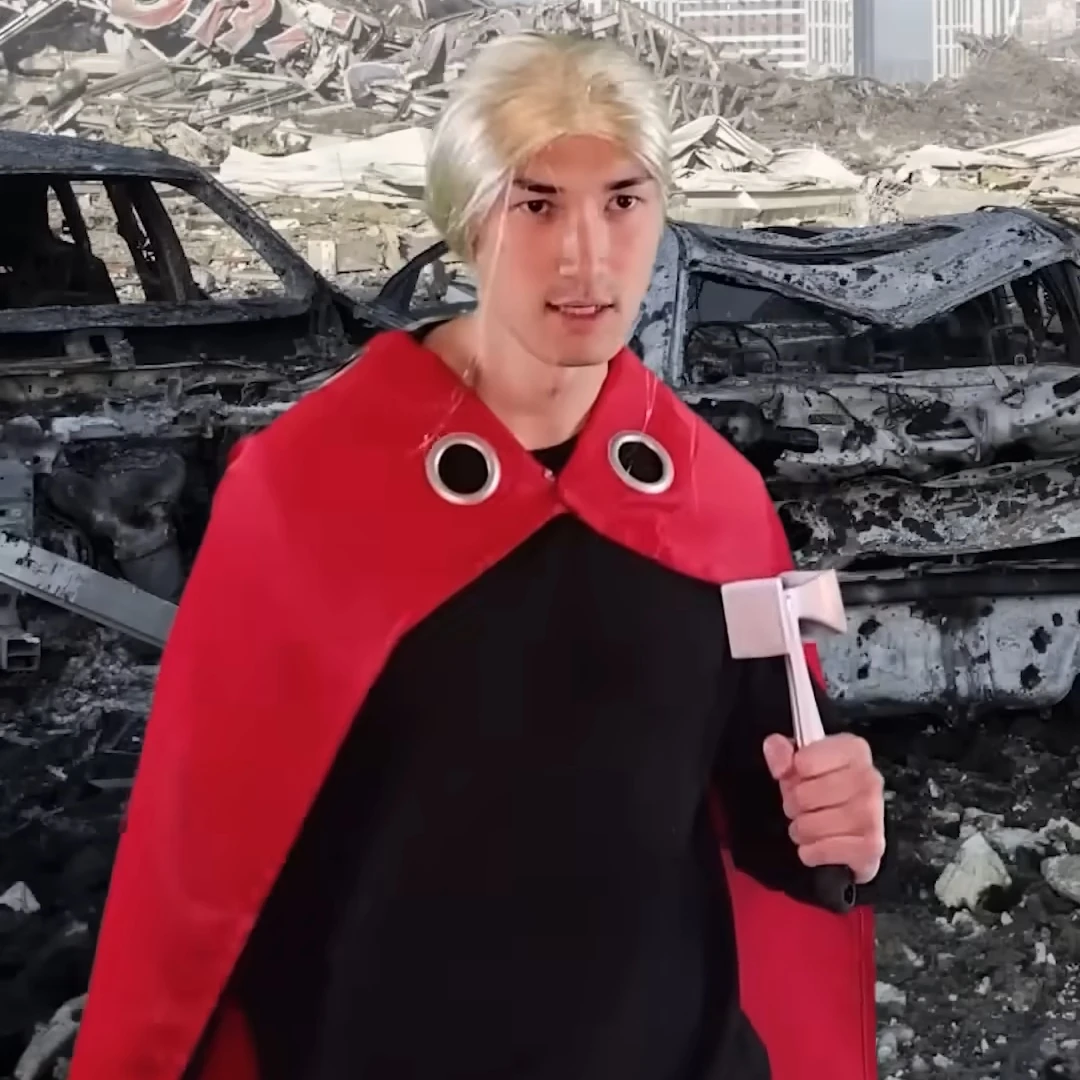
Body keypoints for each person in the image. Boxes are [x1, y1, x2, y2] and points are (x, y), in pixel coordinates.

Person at [69, 31, 888, 1080]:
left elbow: (767, 791)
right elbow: (205, 852)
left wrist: (839, 821)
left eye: (623, 201)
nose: (587, 256)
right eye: (536, 205)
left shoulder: (712, 495)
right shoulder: (305, 488)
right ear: (467, 221)